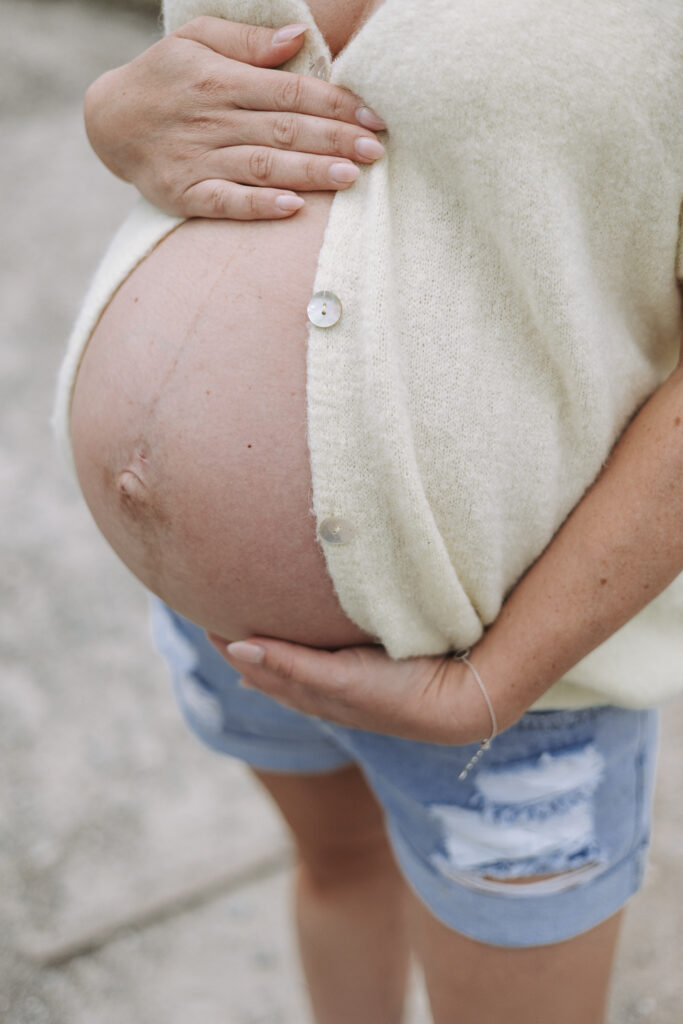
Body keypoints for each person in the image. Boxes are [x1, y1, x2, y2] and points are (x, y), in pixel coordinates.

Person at [55, 3, 683, 1022]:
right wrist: (114, 116)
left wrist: (493, 681)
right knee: (336, 872)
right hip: (228, 639)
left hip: (515, 691)